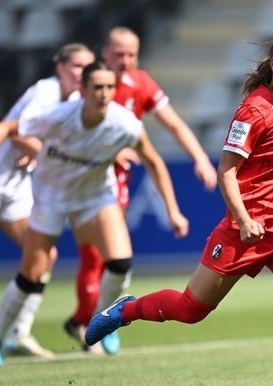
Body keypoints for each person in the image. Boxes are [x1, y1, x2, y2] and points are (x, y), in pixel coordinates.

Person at [84, 31, 273, 386]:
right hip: (246, 230)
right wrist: (243, 220)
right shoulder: (253, 111)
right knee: (191, 308)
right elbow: (226, 171)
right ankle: (126, 310)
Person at [0, 61, 189, 365]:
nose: (104, 94)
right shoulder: (59, 116)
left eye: (109, 87)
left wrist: (173, 210)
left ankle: (103, 322)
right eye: (97, 87)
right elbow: (10, 127)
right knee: (31, 274)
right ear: (83, 90)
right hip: (51, 196)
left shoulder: (125, 123)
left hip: (95, 195)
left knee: (120, 262)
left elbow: (153, 161)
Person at [61, 26, 218, 353]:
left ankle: (92, 319)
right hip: (80, 178)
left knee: (112, 260)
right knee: (95, 257)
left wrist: (200, 157)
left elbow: (173, 123)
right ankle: (91, 320)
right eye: (119, 54)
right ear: (104, 53)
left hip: (115, 180)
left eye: (131, 54)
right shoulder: (94, 85)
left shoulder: (141, 83)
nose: (125, 60)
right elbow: (70, 129)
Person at [0, 43, 95, 359]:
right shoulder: (44, 92)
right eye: (76, 66)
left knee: (44, 256)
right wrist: (46, 155)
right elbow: (16, 133)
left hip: (17, 186)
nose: (81, 73)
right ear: (59, 66)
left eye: (87, 67)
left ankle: (18, 333)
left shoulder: (74, 98)